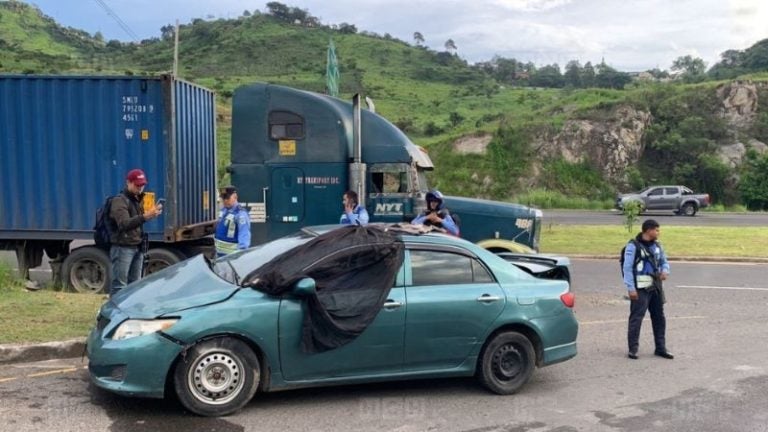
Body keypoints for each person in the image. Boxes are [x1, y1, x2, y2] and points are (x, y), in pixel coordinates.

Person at [623, 219, 673, 360]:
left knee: (659, 318)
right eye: (656, 230)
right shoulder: (633, 246)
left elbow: (664, 261)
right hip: (640, 288)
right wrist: (631, 288)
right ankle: (633, 349)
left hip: (656, 287)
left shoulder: (657, 246)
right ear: (648, 230)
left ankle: (661, 348)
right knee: (636, 318)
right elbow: (627, 268)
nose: (658, 232)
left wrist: (665, 270)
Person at [109, 169, 162, 297]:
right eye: (137, 185)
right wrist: (146, 216)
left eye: (142, 184)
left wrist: (148, 215)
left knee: (135, 285)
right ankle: (115, 314)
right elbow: (124, 224)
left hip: (137, 246)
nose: (140, 187)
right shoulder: (119, 200)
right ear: (128, 182)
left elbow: (137, 223)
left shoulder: (136, 200)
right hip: (123, 247)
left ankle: (131, 314)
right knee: (120, 285)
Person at [215, 186, 252, 256]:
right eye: (223, 198)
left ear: (235, 197)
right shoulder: (223, 211)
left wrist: (240, 255)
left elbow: (244, 236)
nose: (225, 200)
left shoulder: (240, 214)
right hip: (219, 256)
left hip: (231, 258)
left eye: (227, 198)